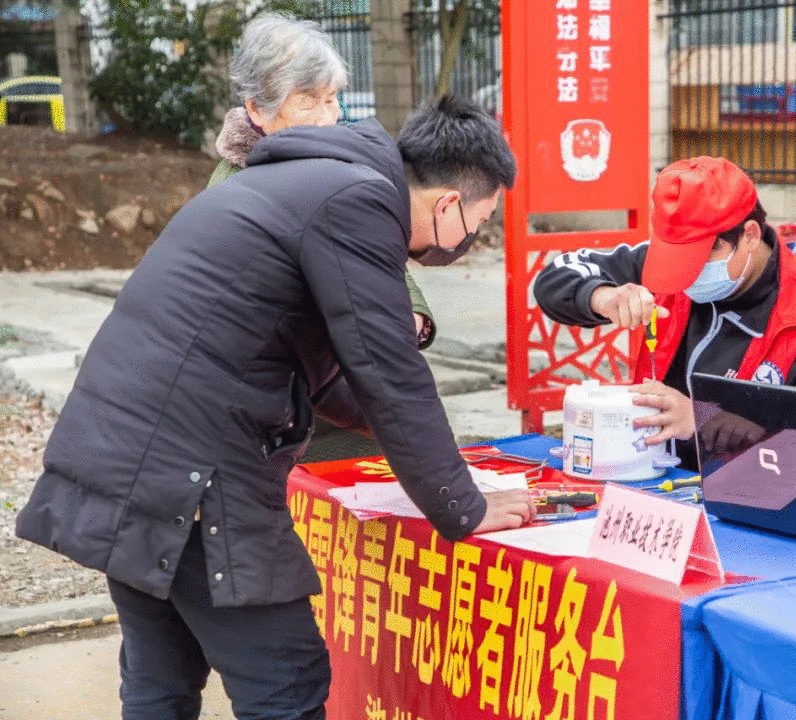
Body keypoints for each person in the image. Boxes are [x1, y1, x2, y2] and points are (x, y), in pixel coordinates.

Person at [14, 94, 533, 719]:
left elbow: (329, 368)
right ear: (449, 202)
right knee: (285, 680)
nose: (469, 241)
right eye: (477, 225)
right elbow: (392, 371)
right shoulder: (362, 201)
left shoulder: (307, 180)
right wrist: (464, 505)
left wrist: (398, 433)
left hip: (123, 447)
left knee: (162, 676)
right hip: (189, 471)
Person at [533, 156, 796, 469]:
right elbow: (555, 278)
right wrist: (602, 296)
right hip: (649, 475)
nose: (685, 275)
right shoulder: (665, 266)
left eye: (699, 257)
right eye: (677, 257)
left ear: (749, 235)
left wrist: (701, 421)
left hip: (749, 505)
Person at [210, 13, 436, 348]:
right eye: (305, 102)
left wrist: (412, 312)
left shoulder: (336, 163)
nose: (324, 119)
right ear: (257, 109)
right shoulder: (230, 190)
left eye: (330, 100)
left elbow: (374, 248)